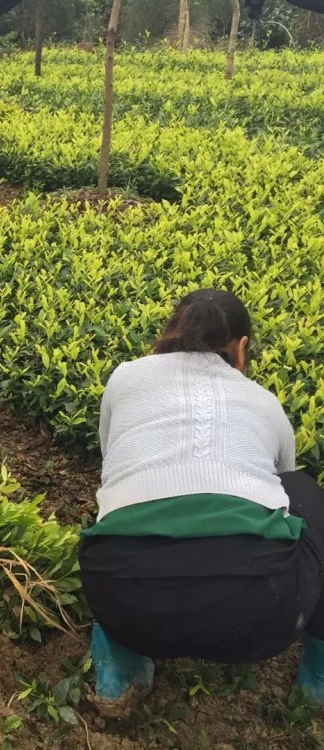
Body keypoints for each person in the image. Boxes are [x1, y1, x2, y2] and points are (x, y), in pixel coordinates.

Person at [79, 289, 324, 709]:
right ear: (241, 347)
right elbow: (281, 488)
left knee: (118, 502)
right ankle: (317, 676)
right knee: (301, 489)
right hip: (261, 621)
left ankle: (120, 667)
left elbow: (110, 459)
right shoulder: (266, 403)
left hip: (122, 603)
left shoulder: (125, 377)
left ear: (173, 330)